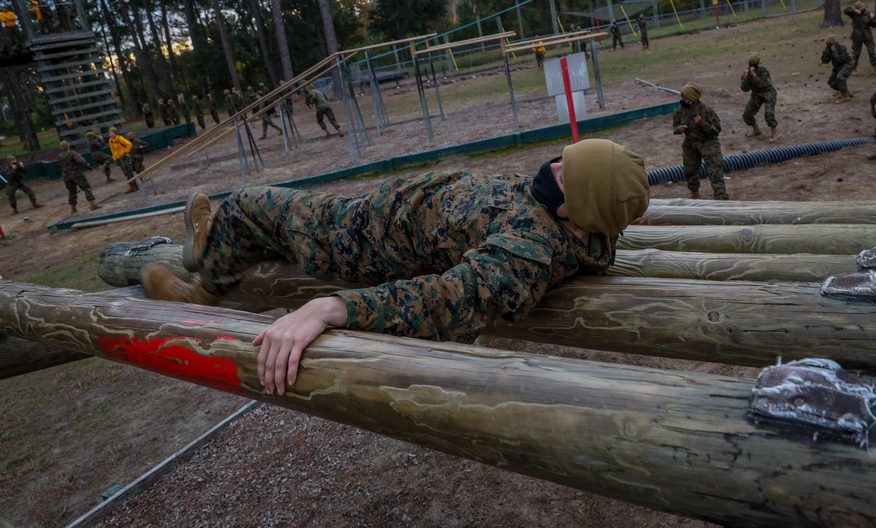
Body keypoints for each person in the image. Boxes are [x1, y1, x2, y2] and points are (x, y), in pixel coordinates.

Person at [140, 138, 651, 396]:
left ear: (578, 207)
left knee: (251, 202)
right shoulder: (562, 215)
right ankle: (233, 242)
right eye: (563, 160)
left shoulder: (528, 255)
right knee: (276, 222)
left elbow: (449, 301)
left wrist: (331, 307)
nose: (552, 167)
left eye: (566, 175)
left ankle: (204, 281)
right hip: (380, 213)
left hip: (357, 239)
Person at [672, 83, 728, 200]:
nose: (682, 99)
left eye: (684, 97)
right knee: (690, 171)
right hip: (690, 145)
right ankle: (694, 193)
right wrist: (679, 129)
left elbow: (716, 130)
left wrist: (703, 124)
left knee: (715, 171)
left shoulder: (707, 111)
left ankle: (721, 197)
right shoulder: (680, 111)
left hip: (708, 144)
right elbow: (675, 126)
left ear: (692, 98)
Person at [739, 52, 779, 142]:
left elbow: (764, 85)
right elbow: (745, 89)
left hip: (768, 93)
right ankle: (756, 129)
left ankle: (774, 133)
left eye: (754, 61)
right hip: (756, 94)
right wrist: (745, 78)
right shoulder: (747, 73)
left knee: (769, 113)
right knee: (747, 114)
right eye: (751, 61)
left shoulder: (764, 71)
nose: (752, 63)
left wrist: (754, 75)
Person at [56, 141, 100, 213]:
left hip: (66, 176)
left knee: (72, 191)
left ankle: (73, 208)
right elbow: (80, 160)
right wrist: (88, 166)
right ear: (68, 146)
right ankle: (92, 204)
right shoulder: (72, 153)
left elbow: (59, 166)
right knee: (86, 187)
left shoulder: (59, 156)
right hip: (75, 173)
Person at [843, 0, 876, 75]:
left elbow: (874, 24)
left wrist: (872, 18)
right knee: (856, 53)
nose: (862, 7)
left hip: (867, 36)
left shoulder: (868, 14)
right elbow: (845, 10)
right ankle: (854, 69)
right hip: (857, 36)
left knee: (872, 52)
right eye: (860, 7)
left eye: (862, 6)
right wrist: (854, 11)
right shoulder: (853, 14)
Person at [821, 34, 854, 103]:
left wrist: (834, 51)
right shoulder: (829, 49)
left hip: (847, 64)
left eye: (829, 43)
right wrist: (825, 53)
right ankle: (845, 92)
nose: (828, 45)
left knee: (840, 77)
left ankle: (845, 96)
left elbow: (840, 59)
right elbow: (825, 61)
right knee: (831, 82)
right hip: (837, 66)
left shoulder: (841, 48)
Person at [108, 127, 138, 193]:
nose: (111, 134)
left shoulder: (120, 138)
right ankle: (134, 185)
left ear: (115, 133)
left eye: (112, 133)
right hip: (118, 158)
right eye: (110, 133)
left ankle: (133, 186)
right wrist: (114, 158)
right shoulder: (111, 140)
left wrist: (125, 152)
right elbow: (112, 150)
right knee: (126, 172)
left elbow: (129, 144)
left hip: (125, 158)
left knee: (128, 171)